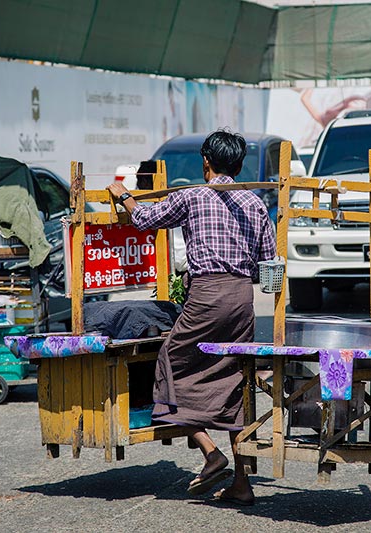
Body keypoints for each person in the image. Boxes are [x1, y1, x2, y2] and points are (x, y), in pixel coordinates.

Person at [107, 130, 276, 506]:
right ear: (239, 164)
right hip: (242, 300)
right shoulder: (255, 202)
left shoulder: (192, 196)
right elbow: (269, 264)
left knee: (171, 361)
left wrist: (125, 197)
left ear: (206, 162)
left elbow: (147, 219)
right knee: (235, 379)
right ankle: (242, 484)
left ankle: (211, 453)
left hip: (207, 296)